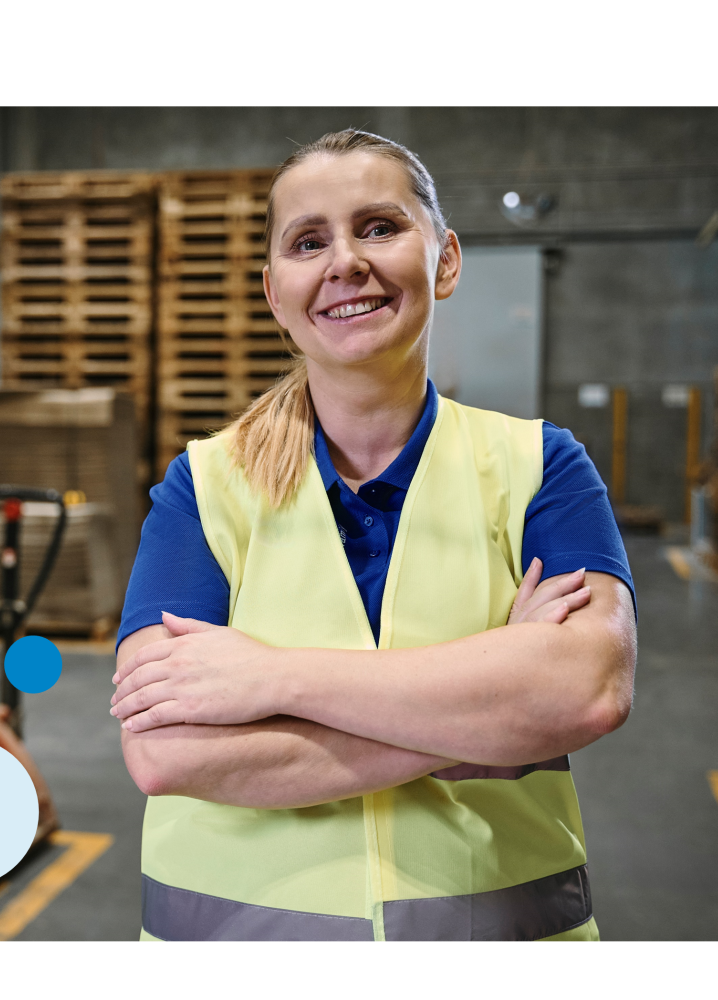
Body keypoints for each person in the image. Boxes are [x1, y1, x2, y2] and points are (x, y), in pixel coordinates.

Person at [111, 130, 637, 942]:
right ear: (274, 291)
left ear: (447, 259)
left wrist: (270, 680)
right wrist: (483, 726)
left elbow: (587, 691)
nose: (345, 262)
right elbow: (165, 755)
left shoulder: (539, 468)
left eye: (380, 227)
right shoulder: (203, 488)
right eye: (308, 242)